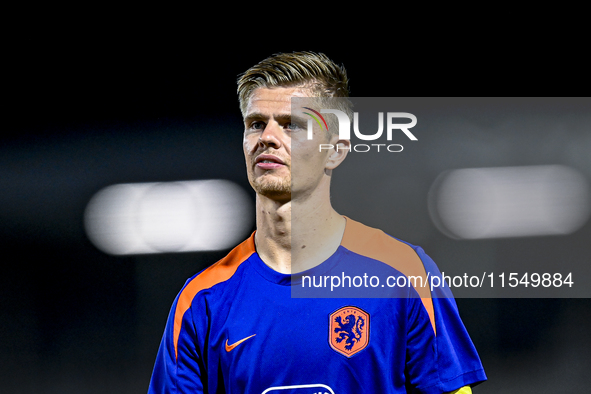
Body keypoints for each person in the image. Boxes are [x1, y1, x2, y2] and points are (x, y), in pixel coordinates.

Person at [148, 52, 487, 393]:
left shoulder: (404, 273)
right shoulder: (201, 301)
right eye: (255, 123)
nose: (268, 136)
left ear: (336, 150)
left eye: (291, 124)